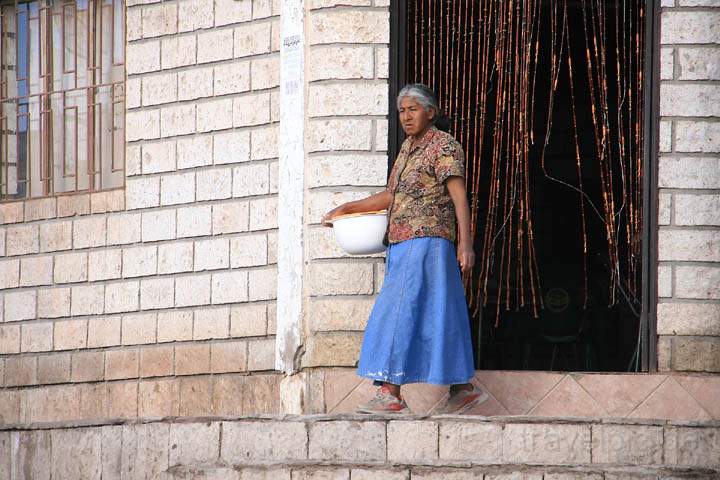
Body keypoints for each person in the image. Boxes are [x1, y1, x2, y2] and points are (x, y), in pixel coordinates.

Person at [321, 84, 488, 415]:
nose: (406, 116)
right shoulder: (408, 149)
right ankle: (461, 389)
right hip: (404, 243)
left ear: (431, 112)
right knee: (438, 313)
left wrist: (466, 245)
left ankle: (389, 392)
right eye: (402, 111)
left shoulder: (443, 146)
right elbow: (390, 197)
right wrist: (346, 209)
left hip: (427, 241)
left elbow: (459, 197)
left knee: (395, 312)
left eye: (413, 109)